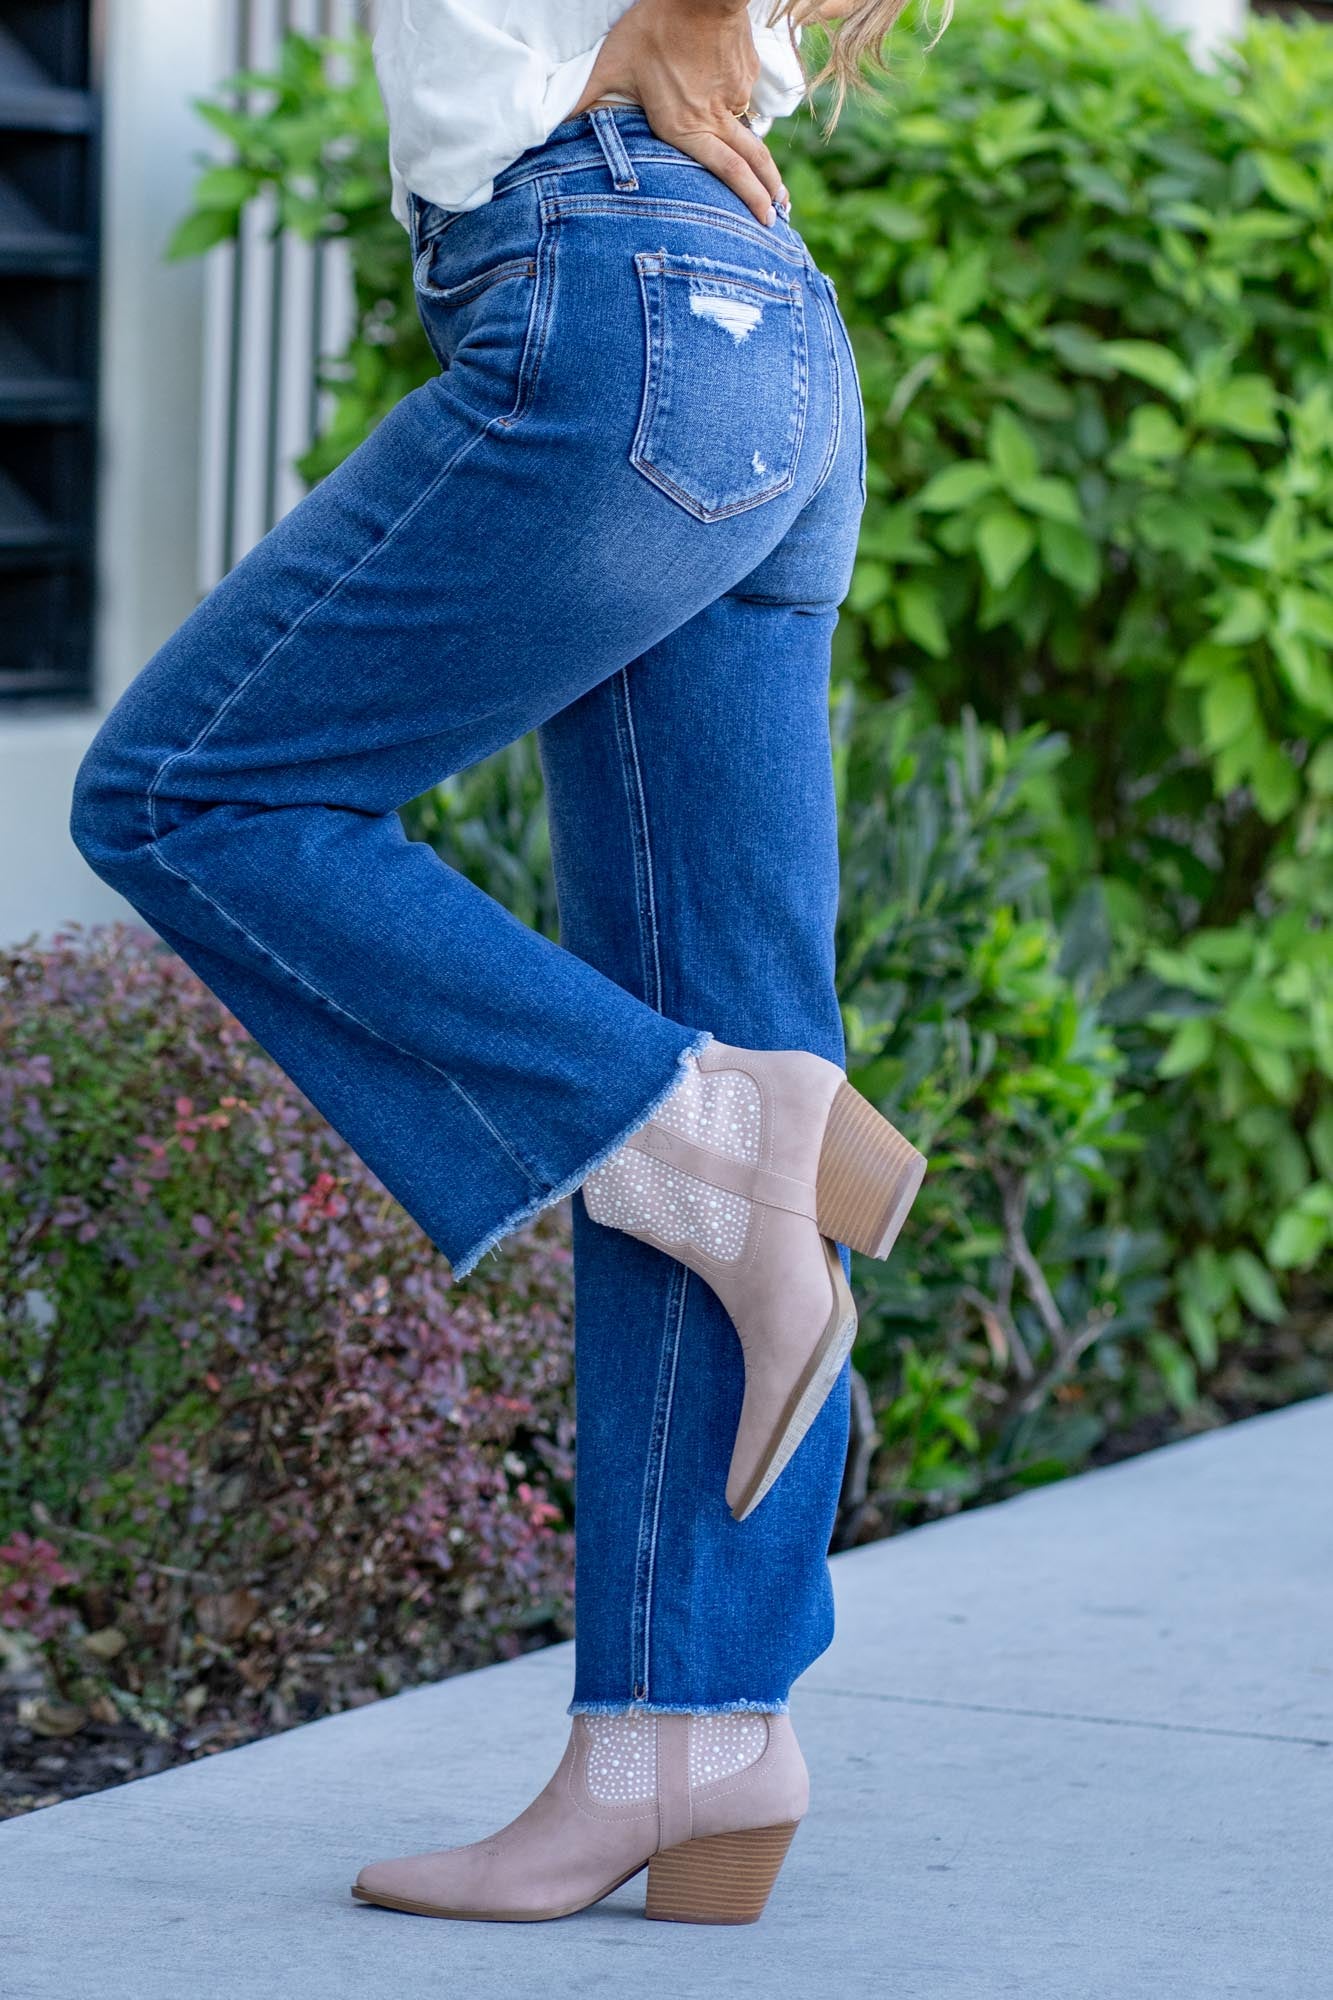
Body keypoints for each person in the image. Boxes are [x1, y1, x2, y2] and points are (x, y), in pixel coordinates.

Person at [70, 0, 927, 1930]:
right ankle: (682, 1734)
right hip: (755, 321)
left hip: (613, 287)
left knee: (192, 796)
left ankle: (716, 1133)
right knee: (720, 1019)